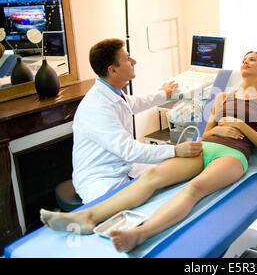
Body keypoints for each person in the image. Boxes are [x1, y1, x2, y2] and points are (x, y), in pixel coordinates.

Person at [40, 51, 257, 253]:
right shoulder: (223, 96)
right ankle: (87, 217)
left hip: (232, 155)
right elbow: (205, 134)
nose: (246, 62)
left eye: (253, 60)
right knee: (151, 176)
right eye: (244, 59)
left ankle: (141, 233)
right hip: (205, 147)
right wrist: (218, 130)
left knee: (193, 189)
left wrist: (239, 126)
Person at [71, 38, 202, 203]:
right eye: (127, 59)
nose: (134, 61)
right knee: (155, 200)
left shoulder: (113, 92)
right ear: (113, 71)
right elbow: (130, 150)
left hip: (123, 166)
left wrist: (163, 94)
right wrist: (175, 150)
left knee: (172, 178)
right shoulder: (97, 107)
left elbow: (134, 102)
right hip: (101, 180)